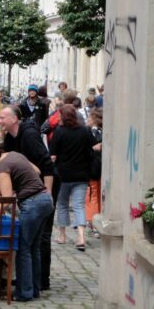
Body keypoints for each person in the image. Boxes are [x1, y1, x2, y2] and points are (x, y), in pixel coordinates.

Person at [0, 137, 54, 302]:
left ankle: (24, 293)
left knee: (23, 248)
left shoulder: (2, 168)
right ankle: (34, 290)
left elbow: (5, 199)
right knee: (34, 248)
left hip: (33, 204)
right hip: (46, 200)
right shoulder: (15, 155)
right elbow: (37, 171)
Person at [50, 105, 97, 251]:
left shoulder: (59, 132)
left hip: (64, 175)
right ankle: (81, 237)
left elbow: (53, 155)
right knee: (78, 205)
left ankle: (62, 235)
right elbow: (93, 148)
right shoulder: (85, 130)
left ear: (63, 117)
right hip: (82, 174)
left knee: (63, 204)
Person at [85, 108, 103, 238]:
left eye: (89, 118)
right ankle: (95, 222)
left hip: (92, 168)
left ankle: (93, 223)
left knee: (92, 196)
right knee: (99, 195)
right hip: (102, 169)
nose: (87, 120)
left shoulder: (90, 132)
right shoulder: (104, 132)